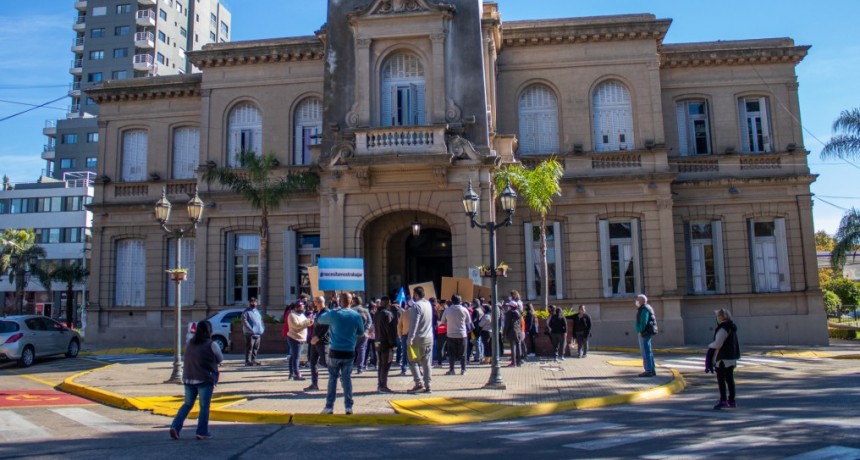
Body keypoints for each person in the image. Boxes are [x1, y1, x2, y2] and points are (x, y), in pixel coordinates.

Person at [169, 320, 223, 440]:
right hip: (204, 378)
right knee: (204, 407)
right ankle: (201, 432)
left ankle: (175, 427)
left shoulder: (189, 343)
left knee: (187, 404)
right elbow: (220, 358)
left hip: (188, 378)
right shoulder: (212, 344)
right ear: (209, 331)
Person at [317, 292, 365, 415]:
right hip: (349, 351)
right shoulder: (356, 315)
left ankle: (329, 407)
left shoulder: (334, 313)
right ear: (351, 302)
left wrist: (334, 309)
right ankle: (348, 406)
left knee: (332, 379)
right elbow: (360, 332)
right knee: (347, 379)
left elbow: (320, 319)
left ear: (340, 301)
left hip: (335, 351)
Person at [706, 308, 740, 409]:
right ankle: (732, 400)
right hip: (731, 357)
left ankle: (723, 400)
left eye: (717, 316)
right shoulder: (731, 327)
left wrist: (710, 346)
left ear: (721, 317)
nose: (716, 318)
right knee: (730, 379)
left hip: (722, 359)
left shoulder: (723, 328)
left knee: (721, 380)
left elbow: (718, 343)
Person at [406, 286, 434, 393]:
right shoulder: (428, 304)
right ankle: (428, 385)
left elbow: (414, 324)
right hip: (429, 337)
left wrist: (410, 338)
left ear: (416, 295)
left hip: (418, 338)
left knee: (412, 360)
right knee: (426, 362)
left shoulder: (416, 306)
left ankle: (418, 383)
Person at [441, 294, 471, 375]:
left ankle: (452, 370)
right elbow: (468, 321)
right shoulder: (464, 310)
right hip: (462, 334)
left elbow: (442, 321)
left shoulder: (447, 310)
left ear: (452, 301)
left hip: (450, 334)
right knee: (463, 353)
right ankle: (463, 370)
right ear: (460, 301)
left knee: (451, 353)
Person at [373, 296, 399, 392]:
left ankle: (380, 384)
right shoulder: (387, 314)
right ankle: (383, 385)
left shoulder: (376, 313)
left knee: (380, 364)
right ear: (389, 303)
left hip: (378, 341)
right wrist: (393, 343)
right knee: (386, 364)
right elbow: (390, 330)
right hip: (386, 343)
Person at [304, 296, 329, 391]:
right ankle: (314, 384)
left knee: (325, 362)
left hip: (322, 341)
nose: (313, 304)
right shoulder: (317, 312)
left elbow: (327, 327)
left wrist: (318, 337)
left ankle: (340, 376)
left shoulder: (326, 312)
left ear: (319, 302)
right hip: (313, 341)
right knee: (312, 362)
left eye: (315, 302)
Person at [286, 300, 313, 380]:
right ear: (297, 307)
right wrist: (307, 322)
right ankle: (296, 374)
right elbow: (297, 325)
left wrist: (309, 322)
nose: (303, 308)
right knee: (296, 357)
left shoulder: (302, 315)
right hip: (294, 338)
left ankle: (291, 372)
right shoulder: (292, 315)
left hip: (301, 338)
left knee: (293, 356)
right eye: (301, 307)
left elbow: (305, 324)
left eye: (303, 307)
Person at [634, 294, 658, 377]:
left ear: (641, 301)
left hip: (644, 332)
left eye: (637, 300)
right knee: (648, 351)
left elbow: (644, 321)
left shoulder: (644, 309)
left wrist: (640, 330)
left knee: (645, 351)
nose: (636, 301)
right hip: (647, 332)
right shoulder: (647, 307)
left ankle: (648, 370)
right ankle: (652, 369)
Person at [242, 298, 265, 366]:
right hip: (249, 333)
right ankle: (247, 361)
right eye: (252, 302)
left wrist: (262, 328)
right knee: (249, 347)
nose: (253, 303)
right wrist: (250, 329)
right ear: (249, 303)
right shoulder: (246, 311)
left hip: (258, 332)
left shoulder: (257, 312)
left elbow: (260, 321)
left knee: (256, 347)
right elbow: (244, 321)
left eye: (255, 302)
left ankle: (253, 360)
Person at [503, 301, 524, 367]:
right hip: (518, 331)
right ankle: (519, 362)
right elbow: (521, 323)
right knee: (518, 346)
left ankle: (513, 362)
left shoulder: (509, 313)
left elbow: (507, 324)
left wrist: (504, 333)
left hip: (512, 331)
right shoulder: (519, 313)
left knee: (513, 347)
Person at [397, 299, 411, 375]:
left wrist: (400, 335)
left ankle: (404, 369)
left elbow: (399, 326)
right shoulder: (417, 312)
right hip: (415, 336)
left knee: (405, 353)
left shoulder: (404, 313)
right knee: (415, 353)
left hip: (405, 335)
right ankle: (418, 370)